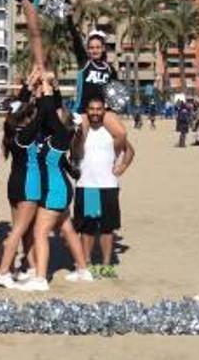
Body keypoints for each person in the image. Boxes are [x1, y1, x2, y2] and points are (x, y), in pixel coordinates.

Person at [20, 74, 93, 292]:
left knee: (40, 233)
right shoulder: (51, 134)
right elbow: (41, 112)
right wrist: (41, 87)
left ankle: (41, 278)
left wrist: (47, 86)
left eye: (60, 114)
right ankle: (83, 270)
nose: (56, 114)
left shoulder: (62, 134)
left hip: (55, 190)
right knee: (67, 229)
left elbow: (48, 111)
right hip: (58, 188)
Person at [73, 96, 135, 279]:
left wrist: (122, 166)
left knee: (107, 228)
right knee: (89, 229)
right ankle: (87, 263)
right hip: (88, 186)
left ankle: (107, 265)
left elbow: (130, 151)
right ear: (87, 111)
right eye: (91, 109)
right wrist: (77, 135)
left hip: (108, 185)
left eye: (99, 109)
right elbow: (74, 152)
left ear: (104, 111)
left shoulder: (113, 132)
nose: (95, 112)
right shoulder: (82, 132)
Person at [0, 73, 45, 288]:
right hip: (28, 185)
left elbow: (18, 105)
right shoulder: (26, 134)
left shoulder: (12, 131)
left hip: (14, 184)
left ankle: (31, 267)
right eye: (30, 115)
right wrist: (45, 89)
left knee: (23, 228)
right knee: (18, 231)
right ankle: (4, 271)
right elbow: (44, 112)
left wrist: (28, 84)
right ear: (26, 118)